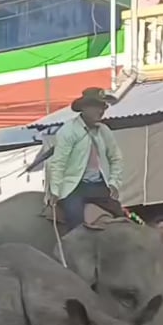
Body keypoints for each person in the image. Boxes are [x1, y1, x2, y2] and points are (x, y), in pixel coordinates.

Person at [47, 88, 125, 230]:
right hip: (75, 186)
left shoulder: (104, 131)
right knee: (75, 220)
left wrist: (114, 182)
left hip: (99, 185)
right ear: (84, 108)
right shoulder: (68, 131)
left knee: (121, 217)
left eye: (102, 107)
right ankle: (72, 250)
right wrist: (55, 191)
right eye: (96, 107)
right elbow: (58, 163)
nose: (100, 111)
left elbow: (116, 158)